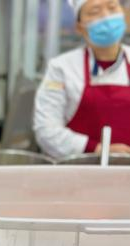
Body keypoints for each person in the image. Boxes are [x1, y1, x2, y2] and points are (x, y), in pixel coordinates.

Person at [34, 0, 130, 159]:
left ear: (123, 14)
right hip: (79, 168)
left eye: (112, 7)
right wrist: (96, 149)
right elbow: (46, 130)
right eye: (95, 12)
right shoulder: (61, 68)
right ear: (79, 27)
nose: (106, 16)